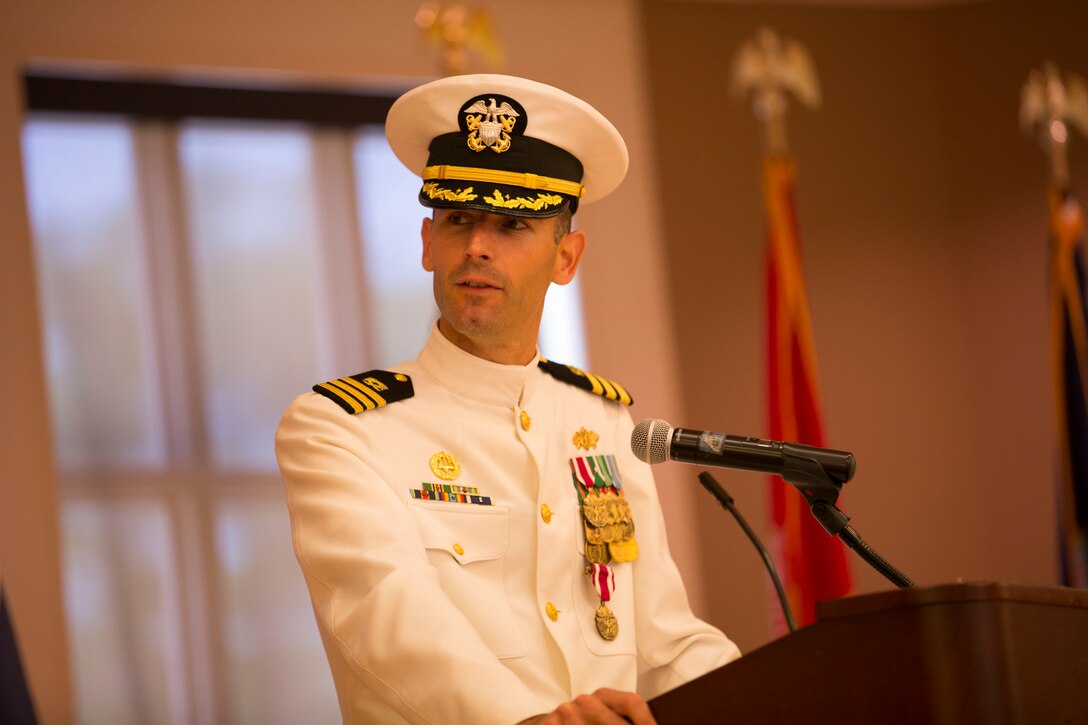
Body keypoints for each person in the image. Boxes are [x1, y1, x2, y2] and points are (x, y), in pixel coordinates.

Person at [275, 73, 740, 724]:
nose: (477, 246)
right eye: (458, 219)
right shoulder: (340, 427)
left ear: (566, 257)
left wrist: (773, 692)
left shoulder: (603, 419)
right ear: (426, 242)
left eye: (513, 223)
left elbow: (662, 641)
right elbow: (387, 608)